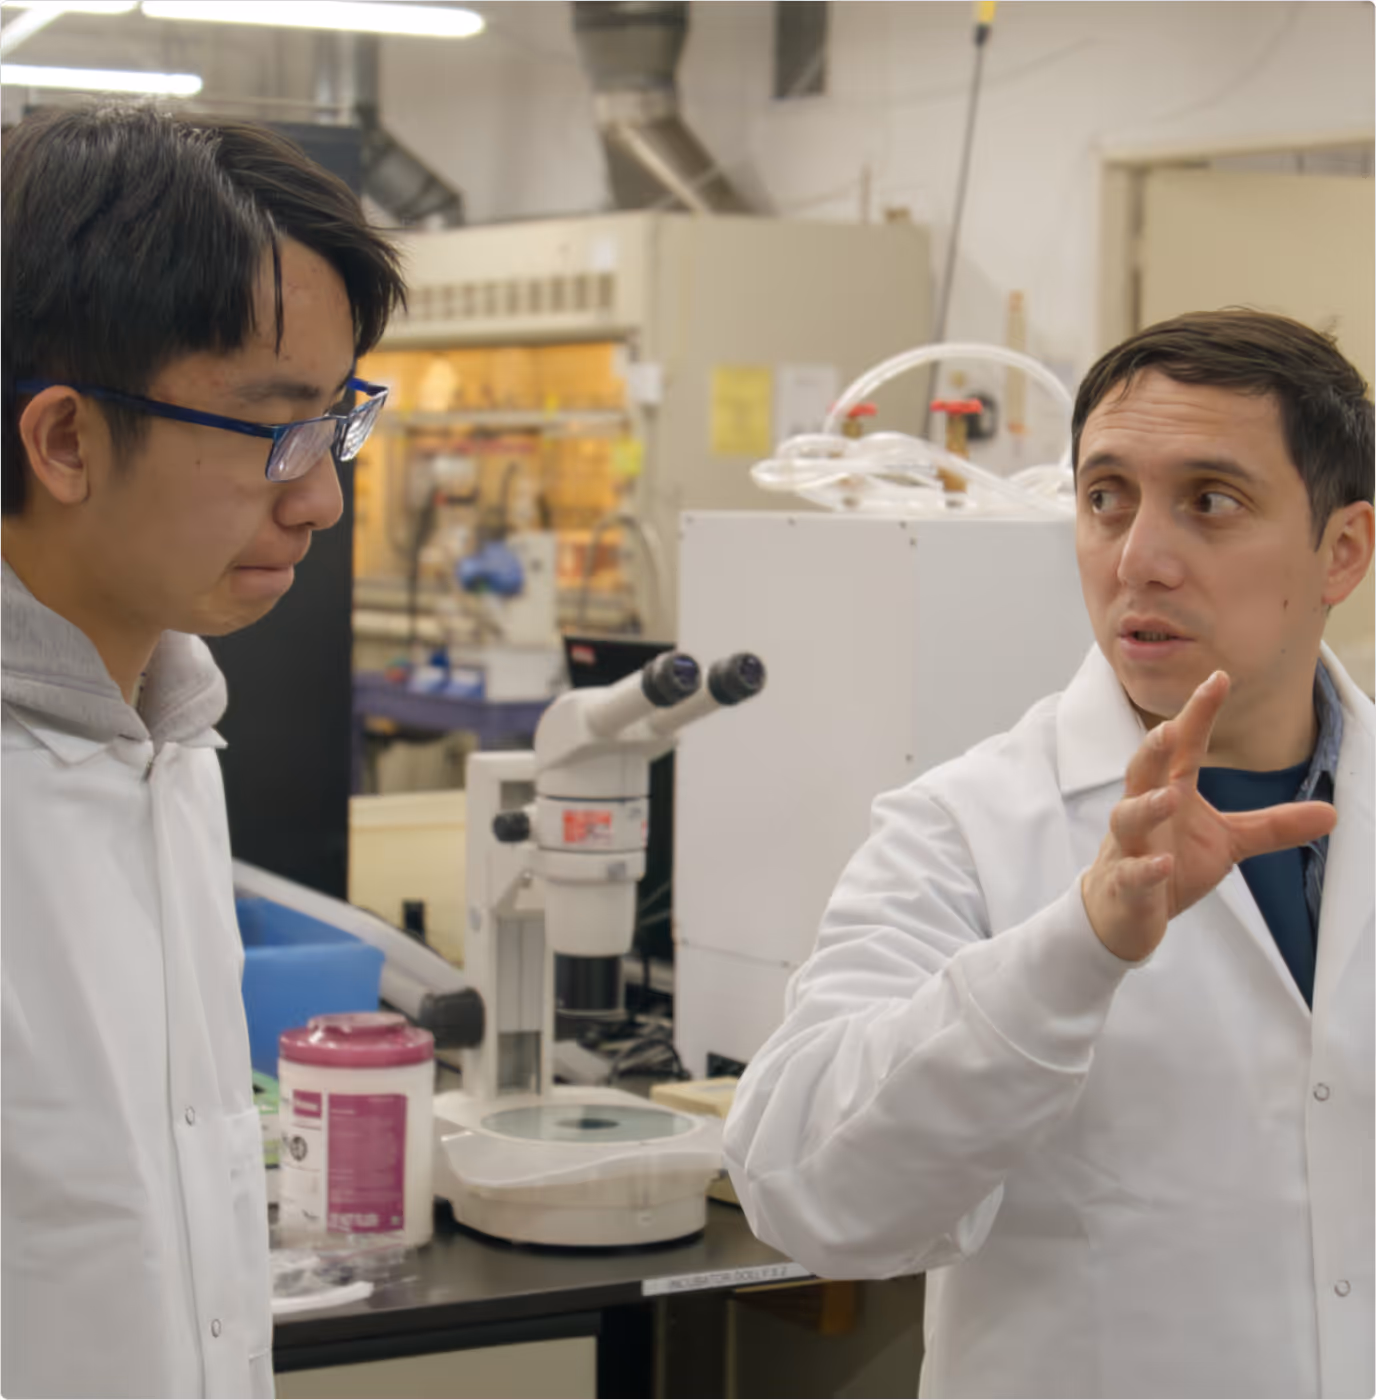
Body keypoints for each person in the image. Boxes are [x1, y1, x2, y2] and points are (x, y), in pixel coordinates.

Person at [724, 310, 1374, 1399]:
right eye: (1104, 497)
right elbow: (806, 1194)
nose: (1138, 558)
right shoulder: (965, 826)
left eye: (1208, 502)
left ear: (1341, 549)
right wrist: (1076, 946)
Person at [1, 105, 405, 1398]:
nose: (322, 496)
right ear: (65, 439)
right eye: (273, 425)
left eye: (338, 420)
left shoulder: (169, 737)